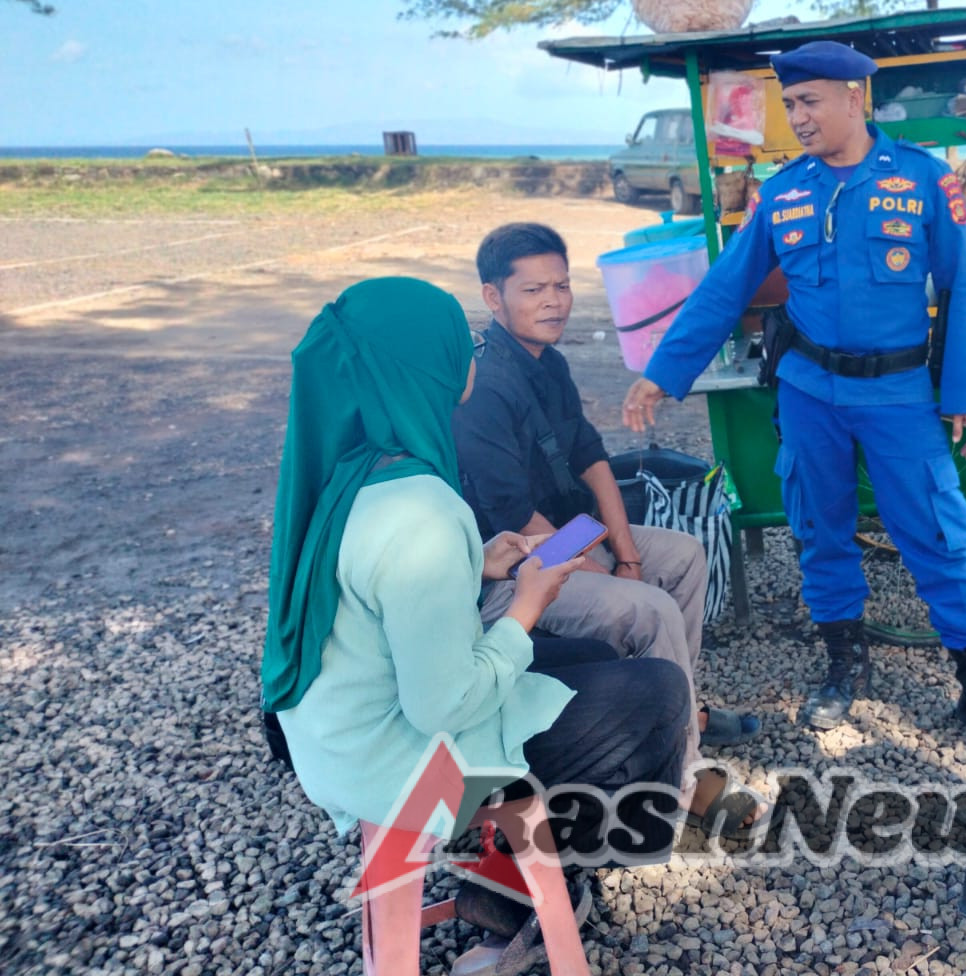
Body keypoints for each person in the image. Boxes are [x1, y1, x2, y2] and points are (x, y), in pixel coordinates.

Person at [260, 276, 691, 969]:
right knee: (657, 692)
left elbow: (377, 599)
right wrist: (525, 607)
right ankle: (545, 879)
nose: (472, 358)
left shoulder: (354, 467)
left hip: (334, 735)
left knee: (591, 657)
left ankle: (536, 866)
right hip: (400, 765)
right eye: (460, 347)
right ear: (427, 367)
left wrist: (480, 566)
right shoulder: (425, 513)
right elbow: (440, 704)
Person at [622, 40, 966, 732]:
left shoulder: (923, 180)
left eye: (808, 102)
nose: (796, 117)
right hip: (807, 393)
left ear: (855, 98)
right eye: (788, 104)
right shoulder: (785, 191)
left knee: (937, 535)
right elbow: (725, 287)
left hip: (898, 393)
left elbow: (962, 286)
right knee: (820, 533)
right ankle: (843, 664)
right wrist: (662, 373)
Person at [451, 223, 766, 835]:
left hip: (564, 534)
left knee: (682, 555)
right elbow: (515, 516)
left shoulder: (550, 362)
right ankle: (684, 778)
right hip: (512, 566)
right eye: (534, 289)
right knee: (645, 609)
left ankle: (679, 714)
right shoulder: (485, 386)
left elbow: (593, 458)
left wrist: (624, 553)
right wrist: (606, 575)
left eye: (562, 286)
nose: (553, 301)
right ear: (493, 298)